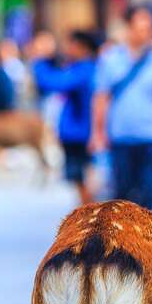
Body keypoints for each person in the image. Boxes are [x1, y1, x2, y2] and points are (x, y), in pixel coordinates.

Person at [91, 5, 152, 210]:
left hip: (150, 135)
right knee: (120, 196)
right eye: (140, 27)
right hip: (120, 135)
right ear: (128, 28)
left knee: (148, 194)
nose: (145, 33)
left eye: (148, 28)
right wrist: (97, 132)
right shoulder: (111, 60)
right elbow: (101, 98)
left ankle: (145, 240)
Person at [32, 30, 100, 204]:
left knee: (82, 176)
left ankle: (91, 215)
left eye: (71, 45)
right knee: (80, 177)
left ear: (82, 48)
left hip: (81, 133)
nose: (68, 49)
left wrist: (40, 60)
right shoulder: (87, 68)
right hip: (80, 132)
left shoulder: (84, 69)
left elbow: (53, 82)